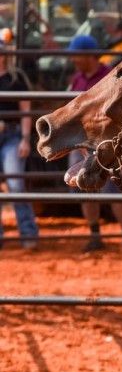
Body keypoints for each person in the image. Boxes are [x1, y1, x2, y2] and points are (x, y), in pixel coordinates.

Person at [68, 35, 122, 254]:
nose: (74, 60)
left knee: (115, 186)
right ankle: (95, 234)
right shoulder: (77, 80)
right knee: (83, 187)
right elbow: (72, 114)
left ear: (89, 56)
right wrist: (79, 143)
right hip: (83, 142)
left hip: (106, 141)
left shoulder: (108, 76)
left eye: (77, 55)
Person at [0, 29, 36, 251]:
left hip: (13, 135)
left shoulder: (16, 78)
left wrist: (25, 139)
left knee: (15, 184)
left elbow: (26, 110)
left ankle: (28, 232)